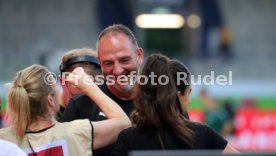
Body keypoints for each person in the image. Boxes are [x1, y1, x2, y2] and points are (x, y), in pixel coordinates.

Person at [112, 54, 239, 156]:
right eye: (189, 93)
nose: (189, 101)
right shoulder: (203, 134)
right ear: (178, 96)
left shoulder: (127, 138)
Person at [0, 64, 130, 155]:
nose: (59, 89)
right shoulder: (76, 132)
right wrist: (89, 87)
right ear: (50, 100)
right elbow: (124, 123)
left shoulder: (3, 139)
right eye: (55, 86)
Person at [57, 48, 102, 121]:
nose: (82, 102)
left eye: (91, 97)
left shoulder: (105, 108)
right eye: (77, 97)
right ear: (62, 81)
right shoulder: (44, 115)